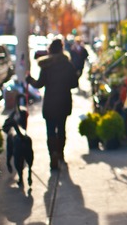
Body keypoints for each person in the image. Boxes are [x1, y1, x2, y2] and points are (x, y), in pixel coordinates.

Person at [26, 38, 78, 170]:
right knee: (61, 129)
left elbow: (39, 84)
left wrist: (29, 79)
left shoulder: (46, 65)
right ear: (62, 49)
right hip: (64, 102)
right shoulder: (68, 65)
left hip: (50, 103)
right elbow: (74, 84)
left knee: (50, 131)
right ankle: (60, 154)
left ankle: (53, 154)